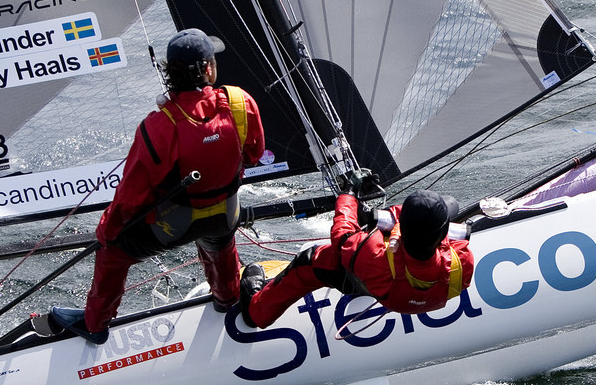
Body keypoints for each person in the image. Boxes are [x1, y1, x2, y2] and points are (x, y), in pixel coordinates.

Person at [37, 28, 264, 344]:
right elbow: (253, 155)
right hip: (226, 213)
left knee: (113, 253)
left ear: (169, 73)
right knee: (219, 240)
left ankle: (95, 324)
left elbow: (131, 196)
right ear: (209, 69)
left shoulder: (159, 126)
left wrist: (107, 232)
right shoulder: (241, 102)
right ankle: (227, 298)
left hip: (176, 223)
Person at [241, 182, 474, 329]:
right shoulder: (463, 261)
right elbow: (446, 245)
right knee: (448, 204)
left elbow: (342, 236)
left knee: (309, 261)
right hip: (417, 291)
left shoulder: (373, 252)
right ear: (445, 233)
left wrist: (348, 194)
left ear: (402, 226)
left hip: (368, 282)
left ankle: (255, 313)